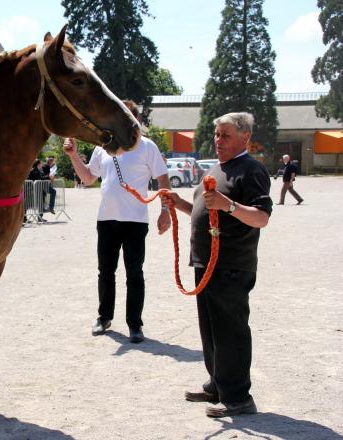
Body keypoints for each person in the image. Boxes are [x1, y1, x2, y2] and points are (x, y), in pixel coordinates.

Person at [162, 112, 272, 418]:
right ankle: (217, 385)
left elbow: (261, 217)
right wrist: (179, 203)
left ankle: (238, 398)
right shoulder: (217, 169)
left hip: (232, 264)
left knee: (231, 331)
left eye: (224, 135)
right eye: (216, 135)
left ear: (244, 137)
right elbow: (203, 210)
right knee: (210, 329)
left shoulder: (251, 170)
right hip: (207, 263)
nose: (217, 140)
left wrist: (230, 205)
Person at [63, 100, 171, 343]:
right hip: (107, 219)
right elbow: (88, 178)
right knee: (105, 272)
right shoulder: (102, 148)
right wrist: (73, 156)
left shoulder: (147, 147)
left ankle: (135, 324)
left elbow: (163, 181)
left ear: (134, 122)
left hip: (135, 221)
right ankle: (104, 317)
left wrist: (165, 211)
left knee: (135, 273)